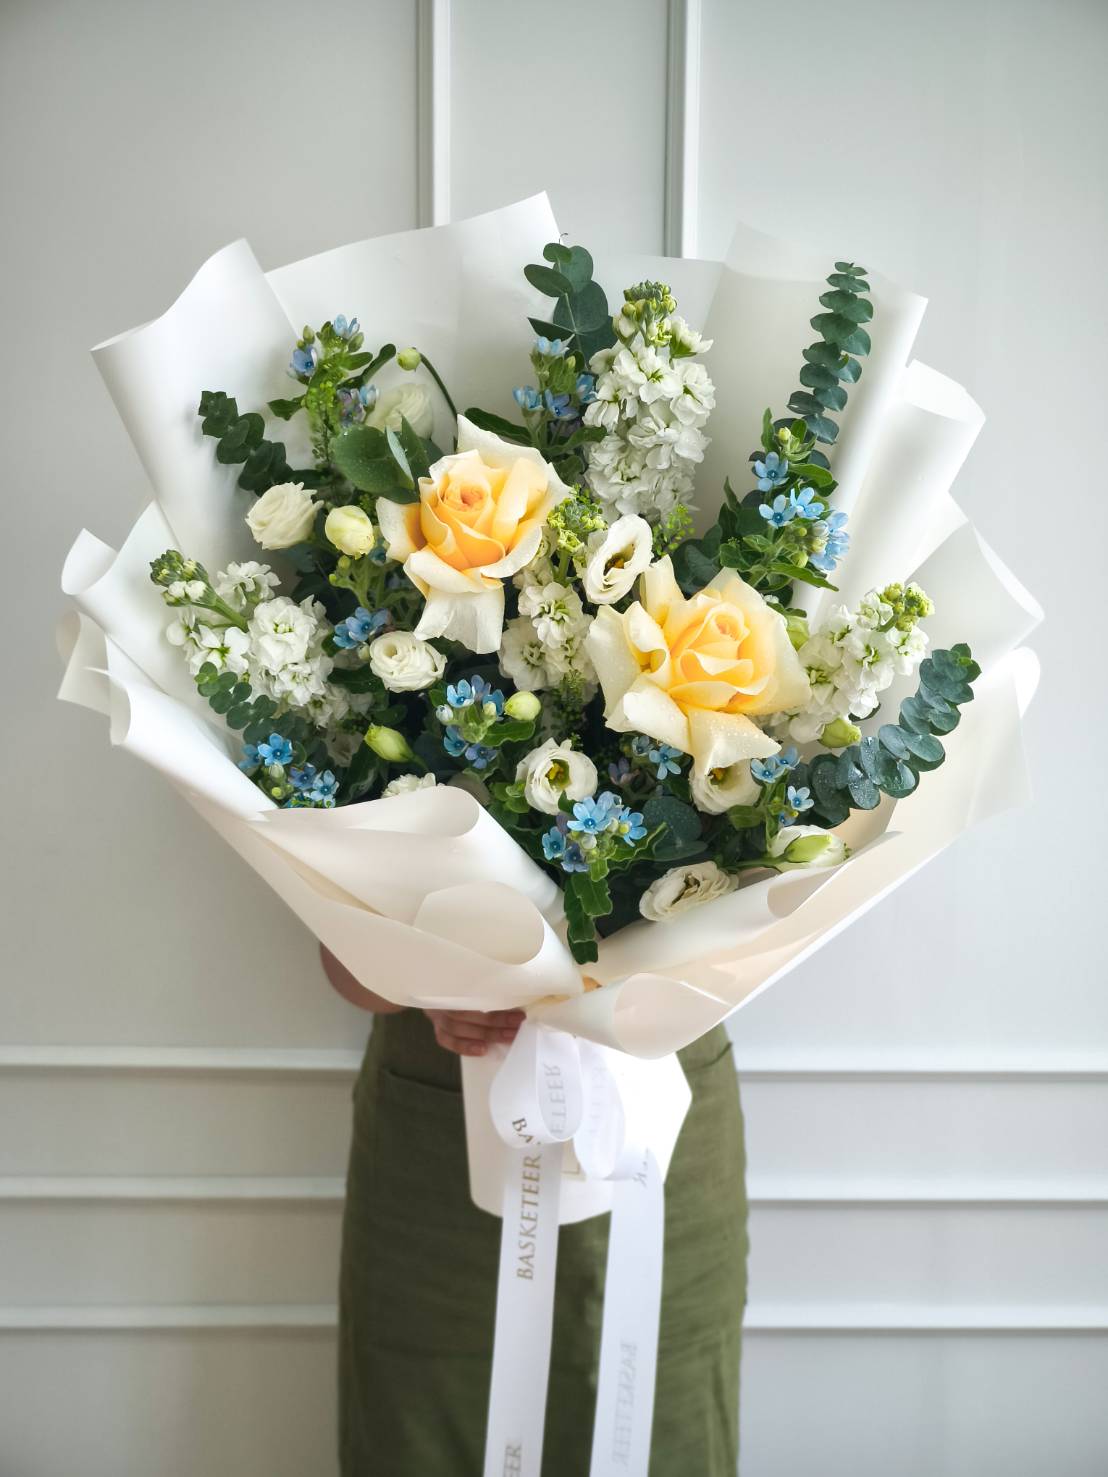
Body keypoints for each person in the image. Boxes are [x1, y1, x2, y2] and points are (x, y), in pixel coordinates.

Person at [322, 945, 749, 1475]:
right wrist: (432, 989)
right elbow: (345, 965)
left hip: (657, 1113)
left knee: (663, 1423)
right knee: (426, 1422)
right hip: (440, 1127)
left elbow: (763, 937)